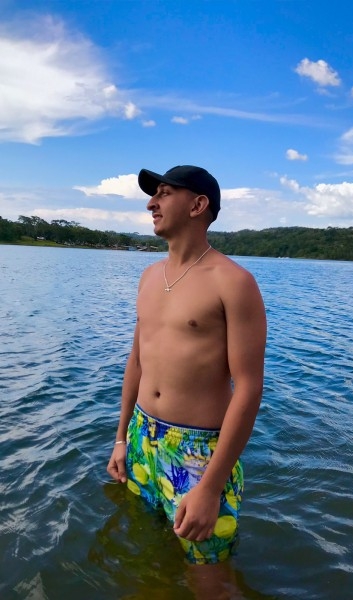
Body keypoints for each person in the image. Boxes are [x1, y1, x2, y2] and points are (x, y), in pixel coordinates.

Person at [107, 165, 266, 573]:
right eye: (153, 195)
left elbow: (249, 388)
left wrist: (211, 487)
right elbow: (137, 361)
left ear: (197, 205)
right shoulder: (148, 276)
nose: (151, 203)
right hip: (142, 436)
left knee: (208, 579)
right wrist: (121, 438)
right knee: (148, 552)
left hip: (198, 453)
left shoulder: (234, 282)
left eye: (164, 193)